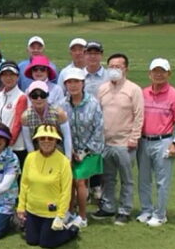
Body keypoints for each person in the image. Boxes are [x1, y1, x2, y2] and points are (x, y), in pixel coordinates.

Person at [93, 53, 143, 224]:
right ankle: (108, 207)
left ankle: (124, 210)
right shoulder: (103, 89)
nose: (114, 70)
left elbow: (138, 115)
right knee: (108, 177)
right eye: (111, 66)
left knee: (126, 179)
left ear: (125, 69)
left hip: (125, 143)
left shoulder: (133, 89)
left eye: (118, 66)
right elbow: (97, 114)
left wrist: (134, 137)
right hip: (106, 142)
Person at [17, 124, 79, 249]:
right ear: (37, 140)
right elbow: (24, 184)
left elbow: (66, 191)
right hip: (33, 209)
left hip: (52, 212)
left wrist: (61, 215)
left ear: (56, 141)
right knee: (32, 241)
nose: (46, 141)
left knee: (46, 243)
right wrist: (21, 206)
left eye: (50, 138)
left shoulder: (64, 162)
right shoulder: (30, 157)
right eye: (42, 138)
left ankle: (71, 229)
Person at [137, 58, 175, 227]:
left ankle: (160, 214)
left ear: (168, 74)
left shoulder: (174, 95)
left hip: (164, 141)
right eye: (155, 71)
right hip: (144, 140)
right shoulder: (143, 93)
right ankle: (146, 210)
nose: (158, 74)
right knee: (143, 178)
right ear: (149, 74)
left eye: (162, 71)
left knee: (162, 181)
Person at [61, 68, 104, 228]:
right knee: (69, 181)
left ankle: (83, 216)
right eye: (69, 82)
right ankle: (70, 212)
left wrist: (84, 152)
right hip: (70, 150)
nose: (73, 86)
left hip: (90, 151)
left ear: (83, 83)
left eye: (76, 82)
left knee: (79, 181)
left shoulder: (93, 103)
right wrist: (69, 151)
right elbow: (61, 130)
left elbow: (98, 130)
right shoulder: (63, 105)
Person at [20, 81, 72, 158]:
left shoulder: (59, 113)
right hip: (37, 153)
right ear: (30, 97)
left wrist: (68, 158)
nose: (39, 99)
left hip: (58, 152)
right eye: (34, 96)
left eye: (42, 95)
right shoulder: (25, 117)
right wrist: (32, 158)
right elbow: (28, 142)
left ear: (47, 95)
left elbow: (67, 137)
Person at [0, 61, 28, 165]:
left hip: (15, 146)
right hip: (0, 144)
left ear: (17, 77)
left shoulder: (21, 97)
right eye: (5, 75)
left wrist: (8, 142)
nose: (8, 78)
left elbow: (18, 123)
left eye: (12, 75)